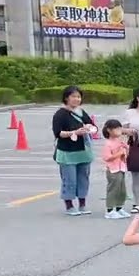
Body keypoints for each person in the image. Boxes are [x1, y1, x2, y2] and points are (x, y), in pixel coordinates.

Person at [51, 85, 96, 216]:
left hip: (83, 151)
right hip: (67, 152)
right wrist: (74, 132)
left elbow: (93, 127)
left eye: (78, 97)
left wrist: (89, 127)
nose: (77, 99)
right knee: (69, 179)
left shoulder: (81, 112)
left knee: (83, 178)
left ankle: (82, 204)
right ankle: (69, 205)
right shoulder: (60, 114)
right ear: (66, 98)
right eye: (74, 97)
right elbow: (58, 133)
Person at [99, 119, 130, 219]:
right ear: (109, 130)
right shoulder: (108, 143)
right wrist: (119, 153)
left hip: (121, 168)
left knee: (121, 189)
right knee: (113, 189)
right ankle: (110, 210)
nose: (119, 131)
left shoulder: (119, 141)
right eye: (116, 129)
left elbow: (125, 154)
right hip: (113, 169)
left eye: (120, 128)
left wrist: (126, 149)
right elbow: (107, 157)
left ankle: (119, 207)